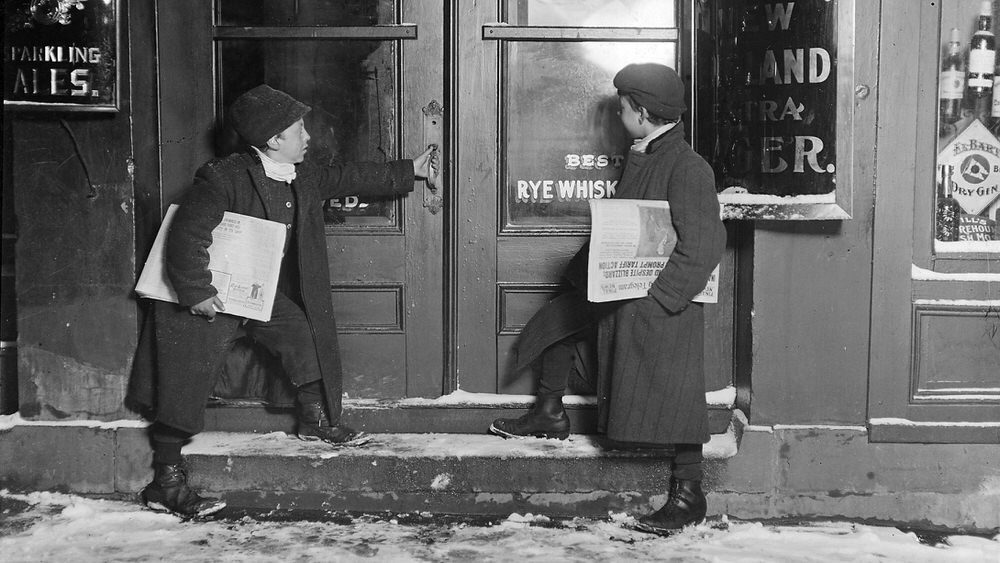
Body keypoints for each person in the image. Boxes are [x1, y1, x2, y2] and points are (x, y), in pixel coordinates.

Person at [129, 84, 438, 517]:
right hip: (207, 298)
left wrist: (410, 170)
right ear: (274, 139)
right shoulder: (223, 176)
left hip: (255, 290)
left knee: (300, 335)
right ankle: (165, 480)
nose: (307, 136)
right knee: (185, 384)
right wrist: (197, 292)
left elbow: (347, 175)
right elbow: (186, 234)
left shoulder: (303, 174)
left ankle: (314, 420)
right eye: (299, 129)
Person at [489, 63, 726, 534]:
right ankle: (550, 411)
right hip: (623, 291)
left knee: (675, 392)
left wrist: (662, 299)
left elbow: (704, 245)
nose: (617, 116)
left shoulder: (686, 166)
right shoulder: (647, 153)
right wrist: (585, 274)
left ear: (641, 112)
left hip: (660, 305)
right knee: (558, 320)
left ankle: (688, 493)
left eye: (621, 108)